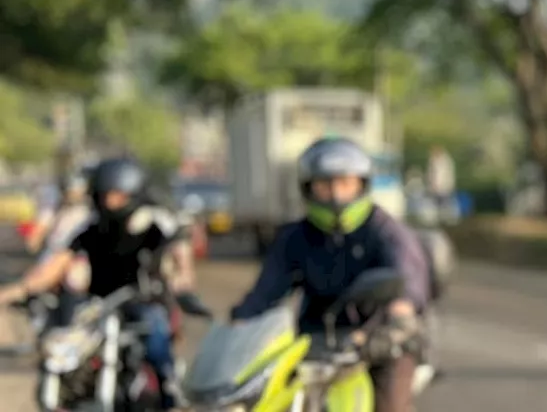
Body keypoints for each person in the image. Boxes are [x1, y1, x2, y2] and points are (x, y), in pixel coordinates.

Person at [228, 136, 432, 412]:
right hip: (313, 342)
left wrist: (398, 319)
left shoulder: (388, 233)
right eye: (325, 185)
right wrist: (236, 330)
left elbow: (406, 286)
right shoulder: (295, 237)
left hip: (379, 342)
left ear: (362, 185)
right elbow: (265, 293)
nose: (336, 195)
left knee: (390, 406)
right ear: (308, 188)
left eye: (345, 184)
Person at [0, 157, 199, 410]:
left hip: (141, 302)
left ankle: (169, 385)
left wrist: (182, 282)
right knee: (66, 345)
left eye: (117, 195)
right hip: (98, 307)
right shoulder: (92, 229)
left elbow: (180, 254)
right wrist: (19, 289)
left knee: (155, 333)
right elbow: (56, 264)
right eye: (105, 195)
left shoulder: (153, 227)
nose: (110, 202)